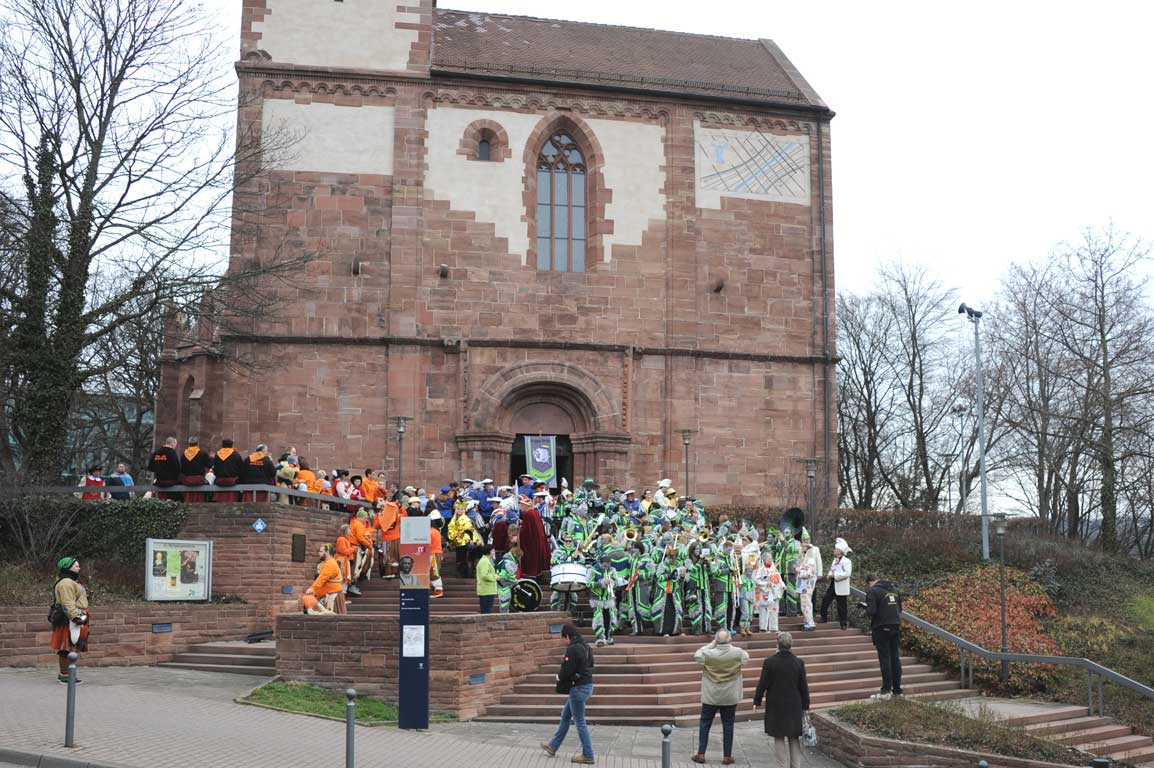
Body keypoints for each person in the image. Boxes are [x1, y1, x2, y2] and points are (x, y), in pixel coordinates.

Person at [692, 629, 750, 765]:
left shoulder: (708, 653)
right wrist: (730, 646)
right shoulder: (737, 653)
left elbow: (697, 655)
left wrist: (710, 645)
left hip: (711, 695)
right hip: (730, 695)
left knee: (705, 724)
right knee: (728, 725)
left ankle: (701, 754)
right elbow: (746, 658)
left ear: (716, 639)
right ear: (729, 640)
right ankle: (727, 756)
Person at [541, 622, 595, 765]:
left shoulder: (572, 649)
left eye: (562, 638)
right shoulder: (586, 646)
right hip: (588, 685)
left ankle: (588, 754)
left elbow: (567, 669)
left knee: (580, 722)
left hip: (578, 689)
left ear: (567, 636)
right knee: (565, 716)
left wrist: (559, 677)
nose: (561, 641)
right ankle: (553, 746)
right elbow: (591, 664)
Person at [753, 632, 810, 768]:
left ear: (777, 644)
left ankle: (782, 765)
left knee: (778, 736)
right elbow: (803, 686)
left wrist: (757, 700)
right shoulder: (798, 662)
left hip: (776, 704)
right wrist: (806, 705)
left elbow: (763, 683)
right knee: (794, 737)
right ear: (791, 644)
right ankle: (796, 765)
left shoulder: (769, 662)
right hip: (794, 704)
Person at [50, 557, 90, 683]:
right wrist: (75, 617)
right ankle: (65, 675)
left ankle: (66, 674)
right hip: (69, 619)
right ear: (68, 567)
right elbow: (67, 602)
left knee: (72, 646)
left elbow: (73, 598)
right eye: (76, 566)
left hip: (75, 616)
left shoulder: (71, 581)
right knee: (67, 647)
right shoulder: (66, 582)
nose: (79, 568)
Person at [865, 574, 903, 699]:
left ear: (871, 582)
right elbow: (900, 609)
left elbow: (871, 611)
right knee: (895, 658)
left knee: (884, 658)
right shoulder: (894, 590)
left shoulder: (873, 591)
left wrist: (865, 608)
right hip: (895, 625)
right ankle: (897, 690)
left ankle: (886, 690)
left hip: (881, 627)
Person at [820, 538, 853, 629]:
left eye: (836, 549)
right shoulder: (835, 560)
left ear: (840, 551)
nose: (834, 550)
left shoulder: (847, 561)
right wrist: (830, 575)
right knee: (826, 600)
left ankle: (843, 623)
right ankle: (824, 617)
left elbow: (847, 573)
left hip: (841, 585)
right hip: (833, 584)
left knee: (842, 605)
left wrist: (835, 575)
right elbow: (832, 570)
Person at [304, 544, 346, 614]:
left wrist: (312, 588)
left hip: (333, 595)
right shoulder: (326, 563)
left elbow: (322, 578)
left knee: (333, 619)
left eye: (321, 551)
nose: (319, 553)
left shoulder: (329, 564)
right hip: (329, 594)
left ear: (327, 552)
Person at [448, 502, 482, 577]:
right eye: (458, 509)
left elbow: (469, 531)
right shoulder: (453, 519)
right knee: (460, 558)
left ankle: (466, 573)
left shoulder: (466, 519)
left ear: (464, 510)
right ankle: (462, 573)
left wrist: (470, 540)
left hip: (466, 541)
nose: (459, 510)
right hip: (458, 542)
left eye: (461, 509)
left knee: (464, 558)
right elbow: (451, 528)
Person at [179, 438, 212, 503]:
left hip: (187, 480)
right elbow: (209, 465)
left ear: (189, 444)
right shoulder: (202, 453)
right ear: (197, 444)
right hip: (199, 480)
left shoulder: (183, 455)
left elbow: (182, 469)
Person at [475, 545, 497, 614]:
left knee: (487, 611)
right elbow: (484, 575)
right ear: (489, 552)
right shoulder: (484, 561)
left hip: (488, 590)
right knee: (486, 611)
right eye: (493, 550)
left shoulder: (486, 560)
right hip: (486, 590)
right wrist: (495, 577)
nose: (494, 552)